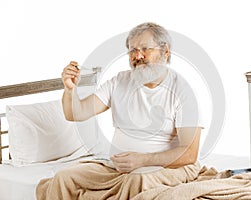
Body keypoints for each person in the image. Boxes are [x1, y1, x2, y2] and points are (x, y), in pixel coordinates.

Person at [36, 22, 204, 200]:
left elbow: (189, 154)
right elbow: (75, 113)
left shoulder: (183, 92)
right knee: (64, 178)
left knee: (137, 180)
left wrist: (143, 160)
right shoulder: (120, 81)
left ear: (165, 51)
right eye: (132, 50)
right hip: (116, 168)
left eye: (145, 48)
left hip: (167, 168)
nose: (137, 55)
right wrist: (70, 90)